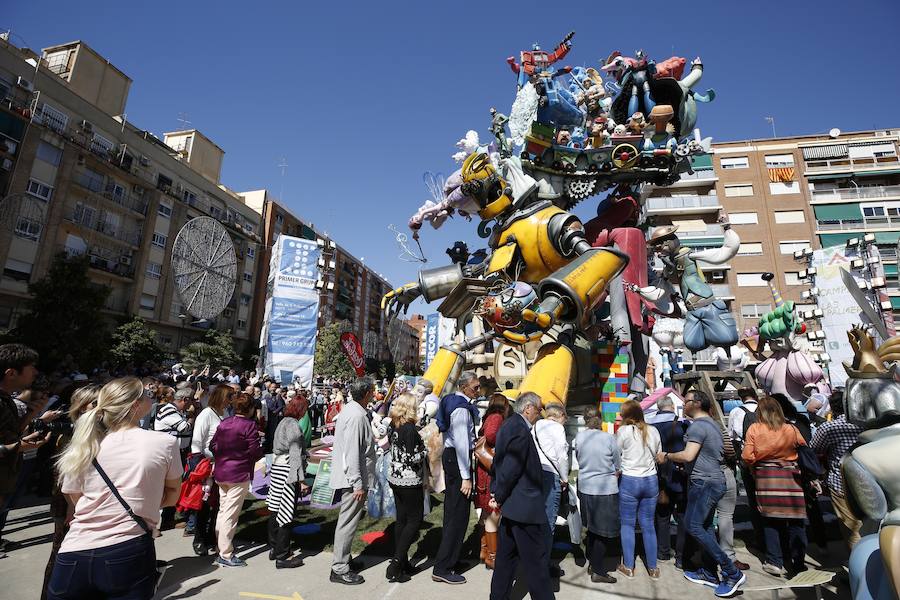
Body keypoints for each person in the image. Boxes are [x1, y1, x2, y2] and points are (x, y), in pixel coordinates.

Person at [46, 377, 182, 600]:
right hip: (127, 550)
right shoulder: (163, 442)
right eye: (146, 394)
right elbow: (172, 495)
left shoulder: (84, 444)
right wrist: (142, 501)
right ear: (135, 404)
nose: (152, 397)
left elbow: (74, 496)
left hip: (73, 552)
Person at [658, 390, 746, 597]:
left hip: (704, 483)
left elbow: (688, 455)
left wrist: (667, 456)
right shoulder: (714, 424)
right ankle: (708, 571)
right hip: (713, 480)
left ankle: (731, 572)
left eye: (686, 401)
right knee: (705, 526)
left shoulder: (697, 426)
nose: (684, 406)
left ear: (696, 403)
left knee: (693, 525)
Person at [489, 392, 554, 600]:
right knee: (536, 562)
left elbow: (499, 462)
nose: (539, 413)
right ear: (528, 408)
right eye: (538, 409)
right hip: (523, 507)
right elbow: (511, 467)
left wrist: (497, 491)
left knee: (506, 560)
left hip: (513, 506)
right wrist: (498, 494)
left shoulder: (511, 425)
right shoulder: (519, 429)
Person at [41, 384, 99, 600]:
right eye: (98, 403)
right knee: (64, 557)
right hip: (70, 506)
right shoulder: (72, 434)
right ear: (84, 407)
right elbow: (64, 477)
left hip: (78, 504)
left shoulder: (89, 430)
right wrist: (72, 507)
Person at [742, 396, 809, 577]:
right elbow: (804, 448)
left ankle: (775, 561)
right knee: (796, 520)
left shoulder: (754, 428)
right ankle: (799, 562)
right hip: (791, 477)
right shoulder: (790, 428)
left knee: (770, 520)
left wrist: (759, 460)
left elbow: (747, 455)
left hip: (766, 477)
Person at [431, 370, 480, 585]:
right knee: (458, 516)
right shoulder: (461, 409)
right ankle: (444, 566)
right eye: (475, 387)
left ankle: (450, 559)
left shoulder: (452, 401)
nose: (478, 390)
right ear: (464, 387)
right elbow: (461, 445)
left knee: (454, 512)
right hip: (458, 460)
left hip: (451, 459)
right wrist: (466, 477)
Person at [329, 377, 376, 585]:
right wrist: (357, 483)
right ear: (366, 394)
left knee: (347, 522)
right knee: (347, 523)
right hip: (353, 479)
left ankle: (344, 560)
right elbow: (353, 453)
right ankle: (339, 568)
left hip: (351, 477)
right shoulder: (356, 415)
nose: (374, 394)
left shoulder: (352, 410)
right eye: (372, 391)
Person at [209, 392, 263, 567]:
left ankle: (221, 548)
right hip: (238, 474)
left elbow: (213, 445)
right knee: (230, 515)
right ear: (250, 409)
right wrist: (242, 455)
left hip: (222, 471)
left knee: (223, 511)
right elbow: (255, 451)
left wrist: (224, 454)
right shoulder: (249, 425)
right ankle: (225, 554)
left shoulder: (225, 423)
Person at [0, 343, 47, 540]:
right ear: (11, 373)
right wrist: (20, 446)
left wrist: (29, 416)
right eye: (31, 367)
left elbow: (7, 433)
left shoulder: (6, 400)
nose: (35, 372)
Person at [573, 405, 620, 584]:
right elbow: (617, 462)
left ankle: (594, 562)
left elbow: (578, 458)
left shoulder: (579, 437)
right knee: (603, 532)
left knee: (592, 528)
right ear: (600, 419)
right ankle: (598, 569)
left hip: (586, 486)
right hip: (605, 488)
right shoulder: (608, 438)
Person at [616, 399, 662, 579]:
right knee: (648, 525)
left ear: (626, 415)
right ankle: (653, 568)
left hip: (630, 480)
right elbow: (659, 455)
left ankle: (628, 566)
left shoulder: (624, 431)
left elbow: (616, 455)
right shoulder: (654, 430)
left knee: (627, 524)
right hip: (650, 480)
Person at [810, 389, 862, 550]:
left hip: (841, 481)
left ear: (832, 407)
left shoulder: (829, 428)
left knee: (850, 526)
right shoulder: (867, 423)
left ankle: (859, 565)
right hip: (871, 479)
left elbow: (814, 449)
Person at [385, 392, 427, 582]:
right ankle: (395, 563)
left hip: (395, 476)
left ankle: (401, 561)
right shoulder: (409, 429)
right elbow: (411, 458)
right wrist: (425, 451)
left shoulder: (393, 424)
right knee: (414, 520)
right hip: (409, 479)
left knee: (401, 519)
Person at [266, 394, 310, 569]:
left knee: (275, 509)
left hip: (278, 467)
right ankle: (282, 555)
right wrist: (301, 480)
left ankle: (275, 547)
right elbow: (294, 454)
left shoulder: (283, 422)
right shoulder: (293, 425)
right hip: (287, 470)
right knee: (285, 512)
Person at [188, 384, 232, 555]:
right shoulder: (206, 414)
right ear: (221, 397)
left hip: (222, 463)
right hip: (207, 464)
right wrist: (201, 464)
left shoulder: (226, 414)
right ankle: (199, 539)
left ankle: (212, 538)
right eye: (229, 397)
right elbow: (197, 442)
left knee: (219, 504)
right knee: (204, 504)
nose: (231, 401)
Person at [532, 402, 569, 577]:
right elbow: (562, 455)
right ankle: (543, 564)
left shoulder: (536, 425)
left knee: (535, 520)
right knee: (548, 521)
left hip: (534, 474)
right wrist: (565, 477)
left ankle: (534, 559)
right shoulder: (557, 428)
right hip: (550, 474)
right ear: (560, 415)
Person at [475, 392, 511, 570]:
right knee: (493, 512)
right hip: (491, 471)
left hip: (485, 470)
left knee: (486, 514)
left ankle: (484, 551)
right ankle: (493, 557)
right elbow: (490, 436)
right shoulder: (497, 417)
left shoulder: (488, 416)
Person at [652, 395, 688, 567]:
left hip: (658, 475)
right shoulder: (683, 424)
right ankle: (681, 556)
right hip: (680, 474)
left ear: (658, 407)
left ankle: (662, 552)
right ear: (673, 406)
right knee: (682, 515)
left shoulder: (649, 425)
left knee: (662, 515)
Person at [727, 388, 763, 549]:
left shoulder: (736, 411)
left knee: (753, 498)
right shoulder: (764, 409)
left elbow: (732, 436)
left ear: (740, 398)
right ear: (755, 396)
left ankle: (759, 535)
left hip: (747, 458)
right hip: (766, 457)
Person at [154, 386, 193, 530]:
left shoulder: (176, 411)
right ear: (184, 400)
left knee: (173, 487)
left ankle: (167, 520)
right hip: (167, 454)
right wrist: (191, 417)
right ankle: (155, 525)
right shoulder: (169, 410)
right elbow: (184, 428)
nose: (192, 404)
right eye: (191, 400)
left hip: (177, 452)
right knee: (165, 487)